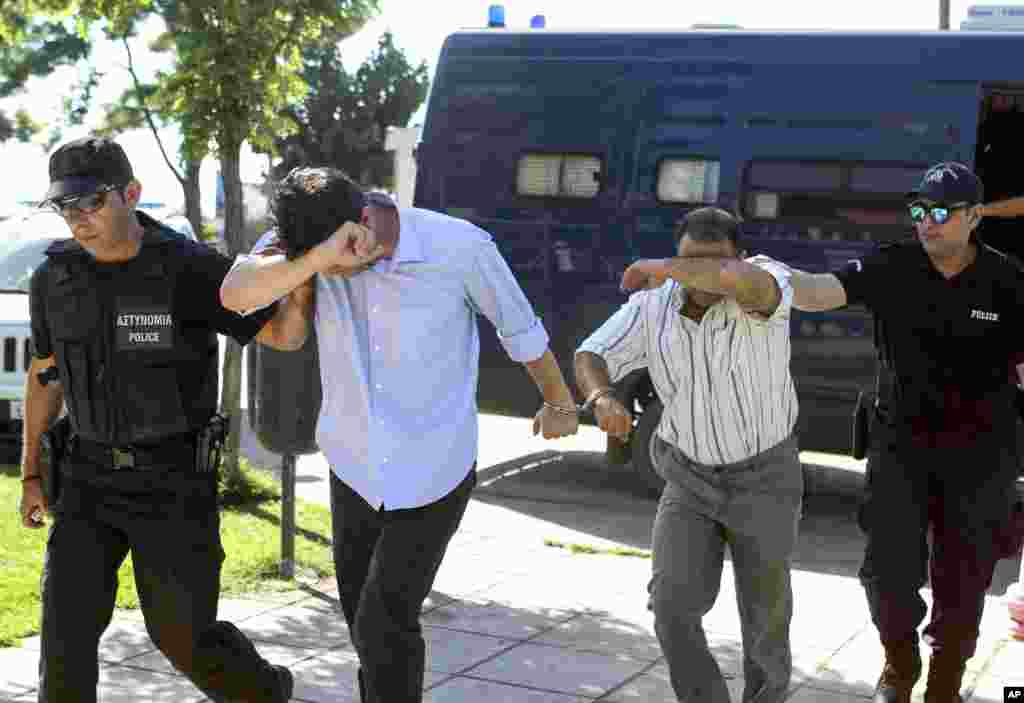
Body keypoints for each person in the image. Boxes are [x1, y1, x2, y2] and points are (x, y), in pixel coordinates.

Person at [219, 167, 579, 703]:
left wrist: (558, 402)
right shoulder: (306, 241)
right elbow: (233, 293)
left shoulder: (455, 245)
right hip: (353, 464)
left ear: (362, 221)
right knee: (364, 627)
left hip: (435, 467)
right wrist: (316, 259)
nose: (333, 271)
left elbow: (519, 328)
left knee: (385, 619)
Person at [17, 136, 294, 703]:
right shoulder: (54, 277)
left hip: (172, 484)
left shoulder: (188, 267)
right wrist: (29, 474)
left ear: (132, 193)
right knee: (64, 640)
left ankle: (264, 691)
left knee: (182, 637)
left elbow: (279, 332)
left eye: (92, 202)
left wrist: (304, 269)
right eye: (66, 207)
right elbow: (45, 375)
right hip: (86, 480)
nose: (78, 218)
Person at [782, 162, 1024, 703]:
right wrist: (773, 278)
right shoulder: (892, 265)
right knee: (886, 573)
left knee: (963, 581)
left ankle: (944, 682)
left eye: (940, 212)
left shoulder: (1008, 280)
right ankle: (899, 663)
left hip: (982, 454)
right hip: (901, 448)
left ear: (971, 216)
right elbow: (823, 291)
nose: (926, 222)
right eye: (919, 211)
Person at [574, 207, 802, 703]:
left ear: (739, 259)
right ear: (676, 257)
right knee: (672, 609)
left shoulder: (764, 286)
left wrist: (668, 266)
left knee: (765, 619)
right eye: (688, 262)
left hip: (765, 476)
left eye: (715, 263)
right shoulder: (653, 303)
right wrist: (602, 397)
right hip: (687, 475)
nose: (700, 276)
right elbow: (591, 354)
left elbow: (747, 284)